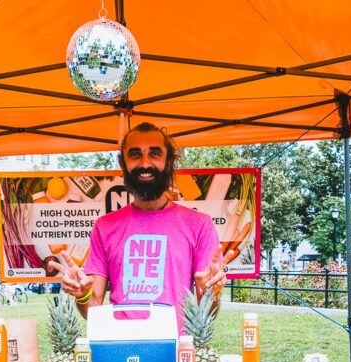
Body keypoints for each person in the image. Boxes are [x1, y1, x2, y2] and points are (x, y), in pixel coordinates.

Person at [48, 122, 226, 328]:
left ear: (169, 162)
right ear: (123, 164)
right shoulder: (104, 227)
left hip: (176, 352)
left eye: (155, 153)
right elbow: (93, 307)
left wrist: (211, 295)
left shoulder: (199, 225)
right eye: (135, 154)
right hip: (121, 348)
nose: (145, 163)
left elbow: (208, 315)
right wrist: (82, 295)